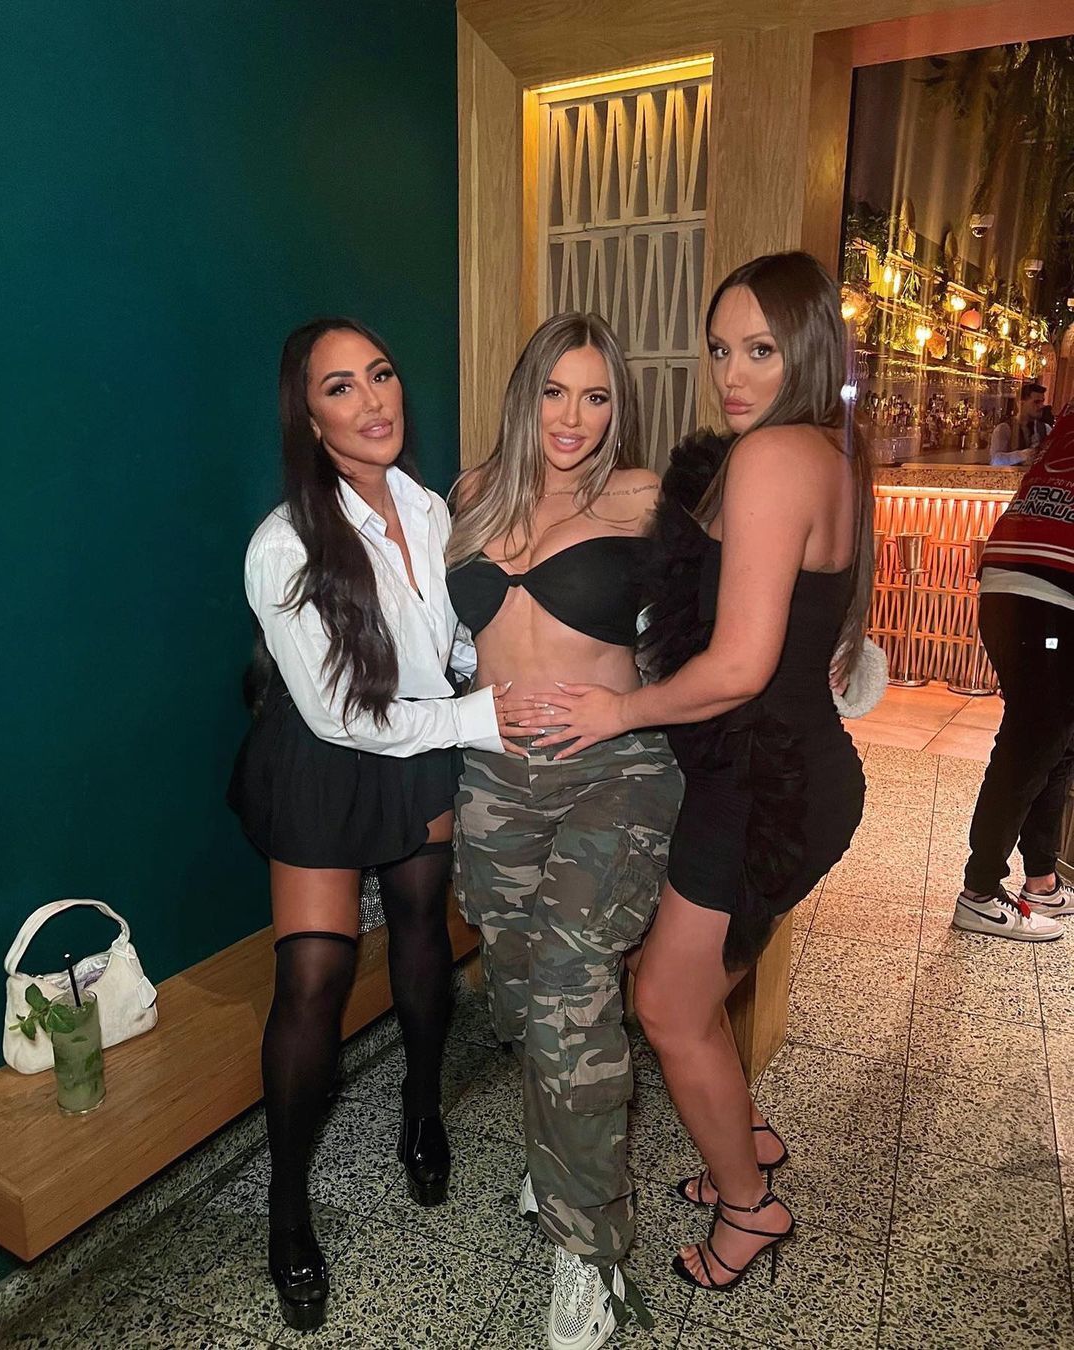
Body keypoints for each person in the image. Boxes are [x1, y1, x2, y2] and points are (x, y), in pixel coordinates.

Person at [514, 252, 872, 1292]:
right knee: (691, 992)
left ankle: (750, 1210)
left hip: (761, 783)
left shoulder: (775, 457)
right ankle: (742, 1143)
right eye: (720, 349)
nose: (733, 373)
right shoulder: (818, 453)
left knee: (667, 1005)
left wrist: (617, 709)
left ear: (809, 350)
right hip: (774, 774)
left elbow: (741, 666)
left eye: (761, 349)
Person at [227, 318, 509, 1331]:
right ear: (309, 418)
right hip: (327, 761)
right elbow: (345, 716)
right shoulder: (285, 545)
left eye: (380, 374)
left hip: (419, 743)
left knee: (425, 933)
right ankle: (287, 1209)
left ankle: (422, 1111)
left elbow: (446, 648)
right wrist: (481, 717)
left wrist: (484, 668)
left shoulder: (432, 510)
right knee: (314, 974)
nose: (372, 398)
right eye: (340, 387)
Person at [447, 312, 683, 1350]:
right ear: (525, 394)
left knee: (570, 994)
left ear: (617, 405)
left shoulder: (640, 497)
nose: (573, 417)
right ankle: (559, 1162)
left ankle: (591, 1253)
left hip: (614, 772)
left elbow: (742, 600)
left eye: (595, 396)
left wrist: (634, 707)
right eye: (554, 391)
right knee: (515, 989)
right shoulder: (472, 495)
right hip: (496, 777)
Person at [953, 399, 1074, 940]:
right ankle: (979, 892)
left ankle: (1042, 880)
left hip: (1012, 580)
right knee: (1032, 744)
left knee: (1055, 739)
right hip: (1049, 592)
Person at [989, 383, 1048, 466]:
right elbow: (995, 461)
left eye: (1042, 401)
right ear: (1020, 404)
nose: (1041, 406)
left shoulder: (1046, 428)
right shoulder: (1004, 428)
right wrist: (1023, 455)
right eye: (1036, 402)